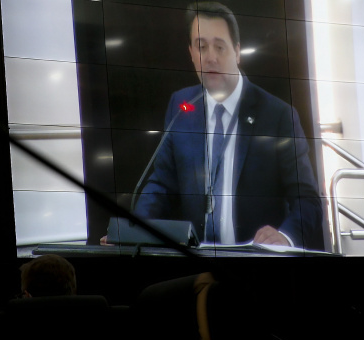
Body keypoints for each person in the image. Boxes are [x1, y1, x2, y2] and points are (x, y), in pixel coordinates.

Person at [132, 1, 323, 249]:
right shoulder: (181, 106)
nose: (210, 57)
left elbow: (307, 200)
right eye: (201, 47)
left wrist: (285, 236)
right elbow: (161, 184)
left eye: (220, 47)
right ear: (191, 53)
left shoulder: (277, 116)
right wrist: (132, 232)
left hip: (256, 260)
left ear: (237, 52)